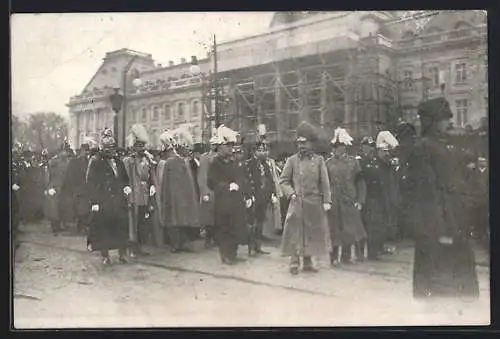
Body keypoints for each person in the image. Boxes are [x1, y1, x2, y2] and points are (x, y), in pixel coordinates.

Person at [409, 97, 479, 299]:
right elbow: (428, 194)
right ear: (431, 121)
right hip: (439, 228)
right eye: (444, 119)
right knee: (439, 282)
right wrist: (442, 229)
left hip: (454, 223)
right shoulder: (423, 148)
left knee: (455, 279)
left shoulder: (442, 146)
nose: (449, 123)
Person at [279, 121, 332, 275]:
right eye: (299, 143)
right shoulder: (292, 161)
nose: (301, 146)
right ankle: (294, 262)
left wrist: (327, 200)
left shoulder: (319, 161)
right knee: (295, 233)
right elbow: (283, 181)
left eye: (305, 143)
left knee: (311, 233)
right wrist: (291, 193)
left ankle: (308, 262)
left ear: (311, 144)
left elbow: (325, 182)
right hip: (297, 202)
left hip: (314, 203)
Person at [86, 128, 131, 266]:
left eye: (112, 148)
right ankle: (105, 255)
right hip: (104, 201)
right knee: (104, 229)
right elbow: (91, 183)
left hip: (119, 200)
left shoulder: (119, 161)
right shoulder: (96, 162)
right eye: (108, 148)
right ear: (102, 148)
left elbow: (124, 178)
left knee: (121, 227)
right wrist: (94, 202)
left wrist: (126, 187)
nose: (111, 151)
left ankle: (122, 254)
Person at [207, 125, 250, 265]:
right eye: (228, 146)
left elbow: (240, 177)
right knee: (224, 228)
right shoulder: (215, 163)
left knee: (235, 226)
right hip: (223, 201)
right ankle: (225, 255)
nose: (231, 149)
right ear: (221, 147)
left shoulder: (234, 161)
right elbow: (211, 182)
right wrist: (227, 186)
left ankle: (233, 253)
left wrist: (238, 184)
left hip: (235, 200)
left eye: (232, 146)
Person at [326, 128, 367, 266]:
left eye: (342, 147)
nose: (339, 150)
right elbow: (323, 184)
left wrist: (360, 200)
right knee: (334, 230)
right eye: (337, 147)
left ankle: (346, 256)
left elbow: (360, 183)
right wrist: (325, 200)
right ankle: (333, 257)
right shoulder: (328, 164)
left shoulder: (353, 163)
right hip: (334, 201)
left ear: (346, 147)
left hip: (349, 200)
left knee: (349, 230)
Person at [160, 126, 201, 253]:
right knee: (174, 220)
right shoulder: (171, 162)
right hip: (174, 196)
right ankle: (175, 243)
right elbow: (167, 182)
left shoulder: (185, 162)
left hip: (183, 196)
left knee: (183, 219)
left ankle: (181, 242)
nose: (188, 151)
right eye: (186, 148)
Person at [123, 124, 155, 257]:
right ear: (134, 146)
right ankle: (132, 248)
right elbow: (126, 179)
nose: (141, 148)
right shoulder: (129, 160)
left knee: (143, 222)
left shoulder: (147, 159)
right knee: (133, 223)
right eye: (139, 146)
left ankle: (140, 247)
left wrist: (152, 184)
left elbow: (150, 175)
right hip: (134, 195)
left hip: (144, 195)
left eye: (143, 146)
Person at [245, 139, 276, 256]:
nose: (263, 153)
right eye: (260, 150)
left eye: (264, 150)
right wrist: (249, 196)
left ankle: (258, 246)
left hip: (263, 197)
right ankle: (250, 247)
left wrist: (272, 194)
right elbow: (246, 181)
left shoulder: (266, 165)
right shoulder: (249, 164)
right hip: (253, 197)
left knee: (260, 222)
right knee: (252, 223)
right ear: (254, 152)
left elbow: (270, 180)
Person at [62, 138, 94, 235]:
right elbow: (70, 175)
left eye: (88, 151)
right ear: (81, 151)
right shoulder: (74, 161)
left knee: (85, 208)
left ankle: (83, 226)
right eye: (85, 151)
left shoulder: (89, 161)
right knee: (79, 208)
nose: (86, 153)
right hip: (77, 188)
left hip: (86, 188)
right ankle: (80, 227)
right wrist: (72, 187)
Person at [43, 141, 73, 235]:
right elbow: (47, 174)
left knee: (62, 207)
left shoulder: (68, 162)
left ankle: (61, 224)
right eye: (64, 151)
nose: (66, 153)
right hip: (54, 186)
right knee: (54, 208)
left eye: (67, 151)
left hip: (64, 187)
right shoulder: (53, 162)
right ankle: (55, 226)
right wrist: (47, 187)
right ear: (60, 152)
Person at [197, 137, 218, 248]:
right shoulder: (205, 158)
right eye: (213, 144)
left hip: (219, 190)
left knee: (218, 216)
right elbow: (202, 175)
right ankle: (208, 239)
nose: (214, 146)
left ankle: (216, 238)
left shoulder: (221, 157)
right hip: (209, 190)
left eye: (216, 144)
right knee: (208, 217)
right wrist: (204, 191)